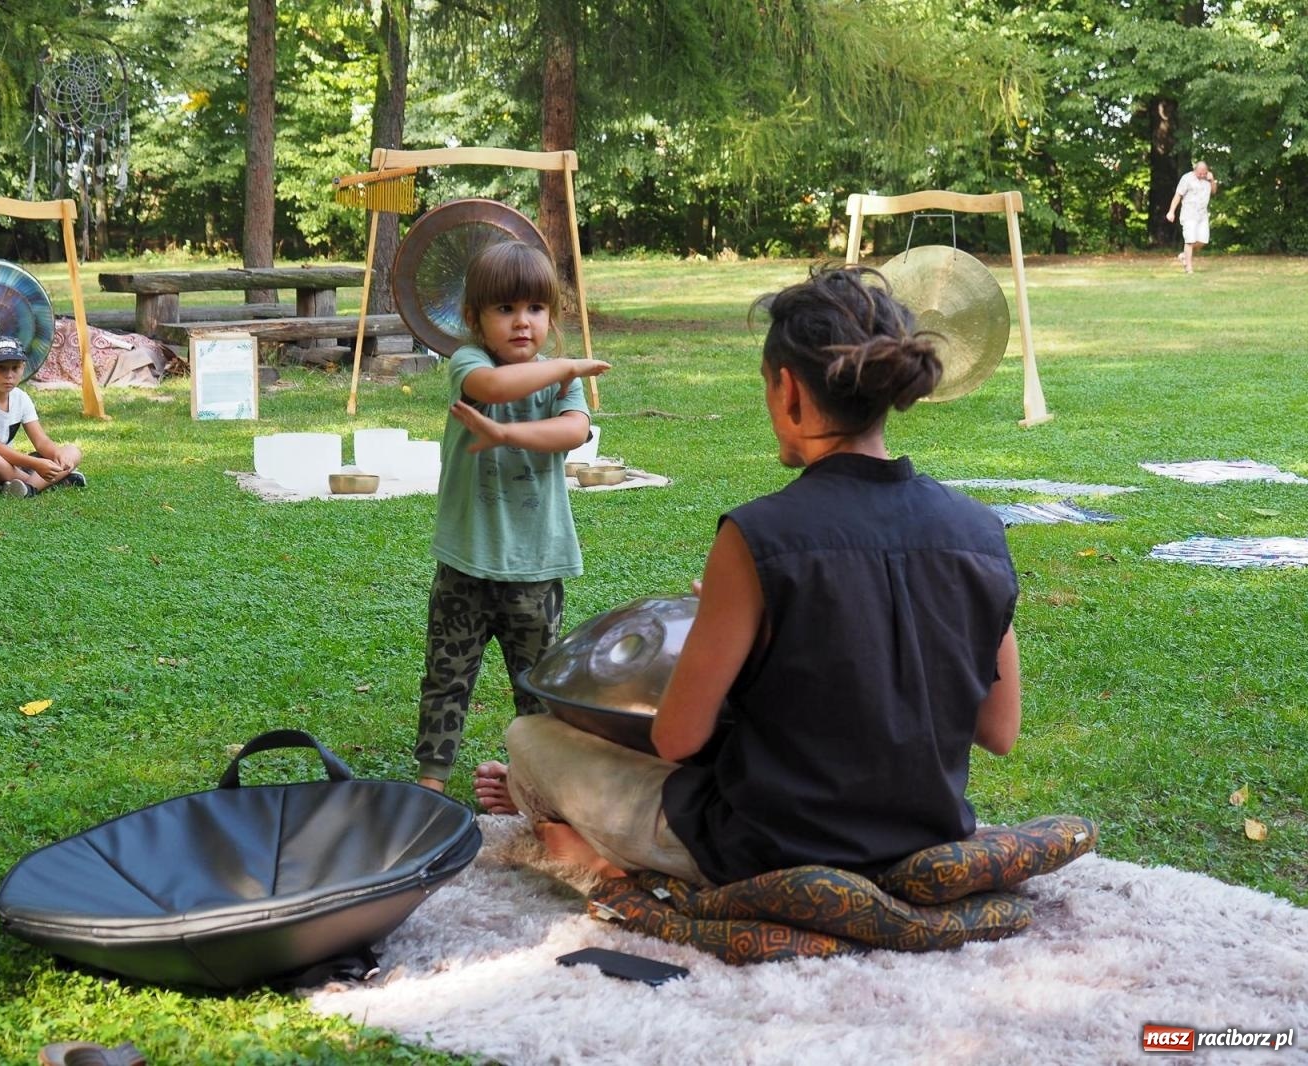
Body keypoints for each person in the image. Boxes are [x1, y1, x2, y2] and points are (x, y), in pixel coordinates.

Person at [476, 266, 1022, 885]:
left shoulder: (758, 536)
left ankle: (593, 857)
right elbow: (999, 731)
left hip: (766, 851)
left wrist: (724, 627)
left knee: (530, 738)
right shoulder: (981, 532)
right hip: (927, 839)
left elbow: (679, 739)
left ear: (788, 391)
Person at [414, 241, 611, 793]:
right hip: (466, 564)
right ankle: (431, 786)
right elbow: (496, 388)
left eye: (535, 308)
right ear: (474, 317)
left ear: (551, 315)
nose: (522, 322)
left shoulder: (562, 379)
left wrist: (505, 433)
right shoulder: (469, 363)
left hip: (536, 568)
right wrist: (564, 367)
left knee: (538, 690)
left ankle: (536, 786)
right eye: (505, 309)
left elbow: (573, 431)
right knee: (447, 678)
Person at [0, 336, 86, 498]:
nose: (9, 375)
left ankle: (27, 489)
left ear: (23, 368)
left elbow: (41, 441)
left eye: (15, 368)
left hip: (9, 464)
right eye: (1, 368)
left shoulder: (21, 398)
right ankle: (50, 481)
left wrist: (58, 455)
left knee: (72, 451)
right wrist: (37, 464)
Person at [1166, 161, 1218, 274]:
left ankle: (1184, 255)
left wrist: (1212, 180)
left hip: (1202, 215)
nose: (1202, 175)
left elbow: (1214, 191)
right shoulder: (1187, 178)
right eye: (1200, 173)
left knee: (1203, 241)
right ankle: (1188, 268)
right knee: (1189, 240)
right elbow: (1178, 195)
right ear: (1195, 170)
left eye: (1204, 173)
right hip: (1189, 214)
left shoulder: (1208, 179)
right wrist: (1171, 211)